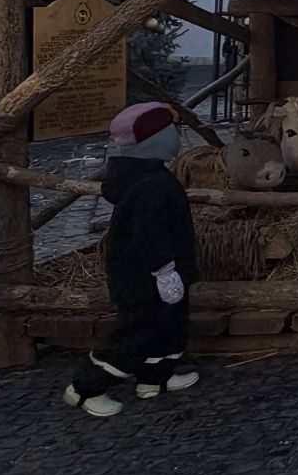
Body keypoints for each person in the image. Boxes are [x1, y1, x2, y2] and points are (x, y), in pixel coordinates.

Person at [64, 103, 200, 418]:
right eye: (170, 133)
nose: (176, 139)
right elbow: (150, 234)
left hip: (165, 273)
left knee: (170, 327)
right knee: (138, 331)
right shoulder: (151, 186)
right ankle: (86, 388)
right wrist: (164, 271)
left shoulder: (150, 176)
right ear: (151, 141)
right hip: (146, 276)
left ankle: (155, 379)